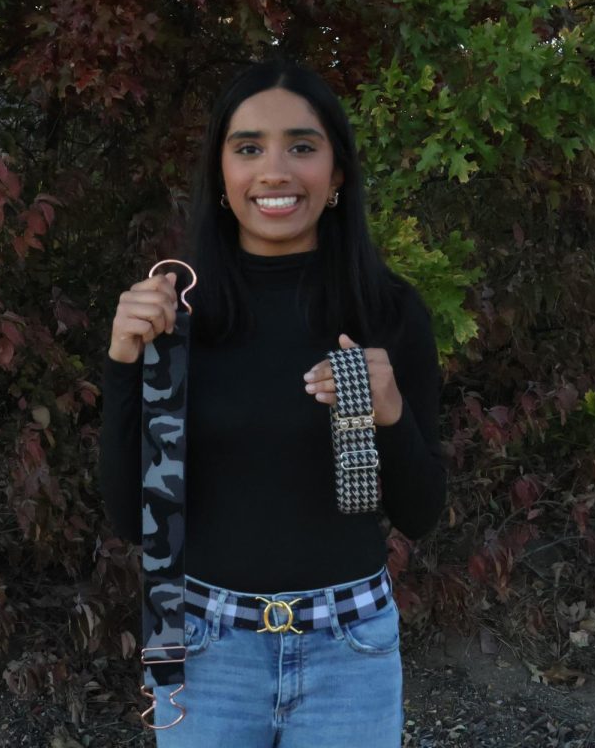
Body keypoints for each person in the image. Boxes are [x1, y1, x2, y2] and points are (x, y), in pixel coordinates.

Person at [98, 58, 446, 747]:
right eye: (249, 147)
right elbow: (129, 518)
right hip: (206, 651)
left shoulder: (390, 311)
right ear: (221, 176)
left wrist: (390, 409)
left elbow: (421, 512)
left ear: (338, 173)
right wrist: (120, 367)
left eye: (303, 146)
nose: (276, 170)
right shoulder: (173, 318)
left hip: (352, 652)